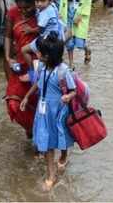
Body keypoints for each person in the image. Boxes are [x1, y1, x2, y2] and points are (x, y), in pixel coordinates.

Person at [20, 32, 76, 191]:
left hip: (58, 112)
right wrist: (26, 96)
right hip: (43, 112)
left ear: (50, 56)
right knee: (47, 142)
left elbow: (74, 90)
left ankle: (64, 155)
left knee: (61, 137)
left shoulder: (63, 71)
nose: (37, 54)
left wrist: (67, 96)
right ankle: (51, 175)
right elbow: (38, 83)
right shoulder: (42, 67)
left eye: (41, 53)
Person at [4, 0, 38, 138]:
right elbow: (8, 36)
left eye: (28, 7)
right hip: (18, 65)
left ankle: (40, 135)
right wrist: (7, 57)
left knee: (37, 102)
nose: (23, 11)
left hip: (38, 66)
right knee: (13, 103)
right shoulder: (12, 13)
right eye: (20, 8)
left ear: (35, 3)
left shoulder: (43, 14)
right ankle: (31, 127)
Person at [21, 0, 63, 70]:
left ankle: (32, 71)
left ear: (50, 0)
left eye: (42, 1)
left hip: (46, 39)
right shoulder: (52, 6)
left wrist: (29, 30)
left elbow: (39, 29)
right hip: (57, 36)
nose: (39, 4)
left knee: (24, 50)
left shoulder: (45, 13)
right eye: (37, 1)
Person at [59, 0, 92, 68]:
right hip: (68, 13)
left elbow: (88, 2)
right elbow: (62, 0)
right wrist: (60, 13)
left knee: (79, 43)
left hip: (80, 14)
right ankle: (71, 63)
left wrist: (80, 15)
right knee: (69, 41)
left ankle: (87, 50)